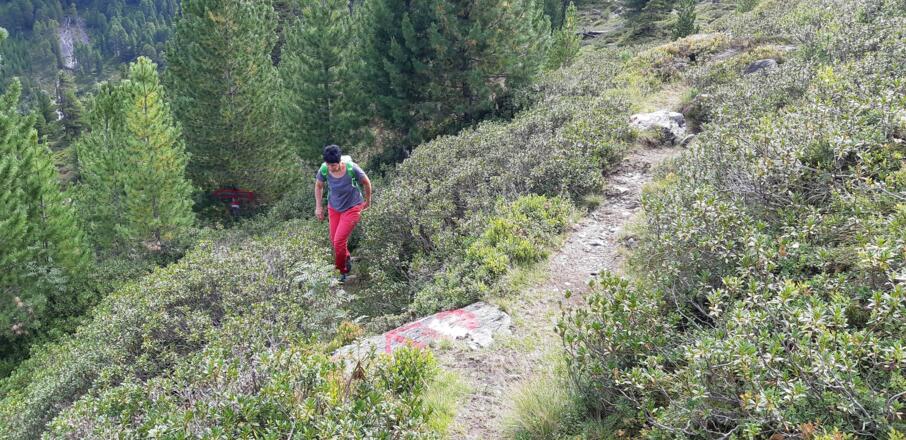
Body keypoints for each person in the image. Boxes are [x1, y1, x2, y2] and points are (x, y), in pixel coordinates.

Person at [314, 145, 372, 283]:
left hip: (353, 207)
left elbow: (366, 183)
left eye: (333, 165)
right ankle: (346, 258)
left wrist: (368, 201)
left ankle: (342, 273)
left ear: (340, 162)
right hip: (334, 207)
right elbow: (318, 186)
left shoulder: (352, 168)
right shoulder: (324, 169)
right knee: (335, 241)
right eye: (328, 165)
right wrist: (318, 207)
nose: (331, 168)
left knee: (339, 241)